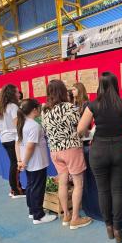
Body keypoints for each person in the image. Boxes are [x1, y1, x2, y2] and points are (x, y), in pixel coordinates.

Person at [78, 72, 122, 243]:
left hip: (99, 149)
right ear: (116, 85)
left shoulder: (93, 105)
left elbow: (80, 130)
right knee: (117, 190)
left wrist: (90, 131)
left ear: (100, 86)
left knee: (103, 190)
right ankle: (118, 229)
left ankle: (108, 226)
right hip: (119, 149)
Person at [41, 79, 92, 230]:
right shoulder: (70, 108)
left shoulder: (45, 111)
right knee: (78, 183)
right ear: (63, 92)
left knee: (62, 182)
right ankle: (76, 218)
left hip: (55, 151)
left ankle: (66, 215)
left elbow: (45, 130)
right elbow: (81, 128)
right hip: (71, 149)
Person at [15, 99, 57, 224]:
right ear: (34, 110)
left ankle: (32, 211)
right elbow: (30, 146)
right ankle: (38, 215)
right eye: (38, 107)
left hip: (28, 162)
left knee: (31, 186)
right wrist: (24, 161)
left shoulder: (22, 124)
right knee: (37, 187)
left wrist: (20, 161)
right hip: (36, 162)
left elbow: (17, 144)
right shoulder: (34, 126)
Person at [0, 84, 25, 198]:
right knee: (15, 164)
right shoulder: (12, 106)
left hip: (4, 139)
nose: (19, 94)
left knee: (13, 164)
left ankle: (14, 188)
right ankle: (16, 190)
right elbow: (18, 124)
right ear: (12, 94)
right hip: (12, 138)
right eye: (17, 92)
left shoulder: (1, 107)